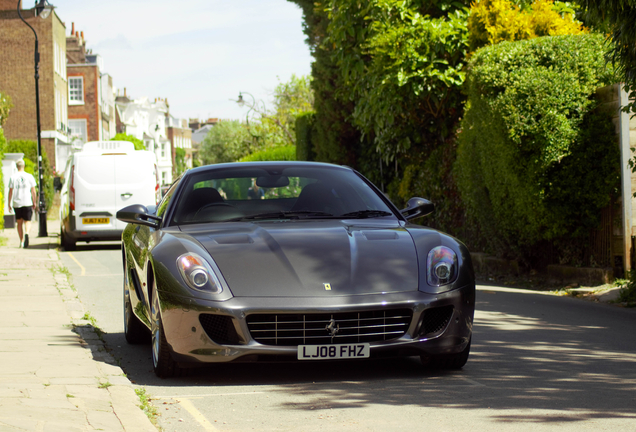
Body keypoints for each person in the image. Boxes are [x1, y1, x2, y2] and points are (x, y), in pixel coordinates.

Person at [7, 159, 37, 248]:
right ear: (24, 166)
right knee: (27, 221)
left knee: (19, 222)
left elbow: (10, 191)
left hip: (17, 202)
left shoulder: (13, 177)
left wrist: (9, 203)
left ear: (17, 167)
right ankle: (27, 233)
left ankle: (22, 241)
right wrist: (34, 201)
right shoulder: (29, 176)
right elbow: (33, 190)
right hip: (27, 201)